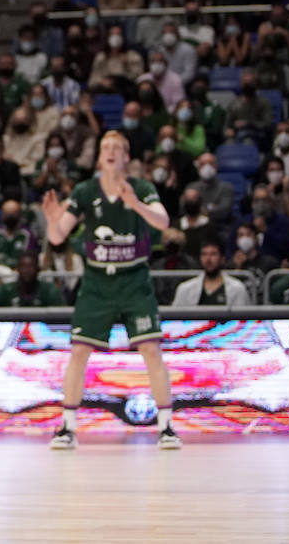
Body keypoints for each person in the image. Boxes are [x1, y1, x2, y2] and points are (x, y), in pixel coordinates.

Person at [40, 131, 180, 450]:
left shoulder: (141, 188)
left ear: (127, 157)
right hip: (98, 282)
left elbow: (162, 222)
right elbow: (59, 236)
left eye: (117, 148)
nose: (111, 152)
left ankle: (166, 427)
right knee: (78, 351)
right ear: (99, 156)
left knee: (150, 350)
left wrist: (135, 204)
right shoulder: (86, 190)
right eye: (106, 147)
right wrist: (51, 220)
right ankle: (67, 427)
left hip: (134, 280)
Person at [170, 243, 251, 306]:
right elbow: (175, 322)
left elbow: (244, 322)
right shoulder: (185, 289)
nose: (208, 259)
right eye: (204, 254)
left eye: (213, 254)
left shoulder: (237, 288)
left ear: (222, 259)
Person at [0, 251, 64, 307]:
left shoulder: (49, 290)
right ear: (17, 269)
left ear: (38, 269)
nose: (27, 270)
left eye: (31, 266)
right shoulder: (4, 290)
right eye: (23, 266)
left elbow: (61, 316)